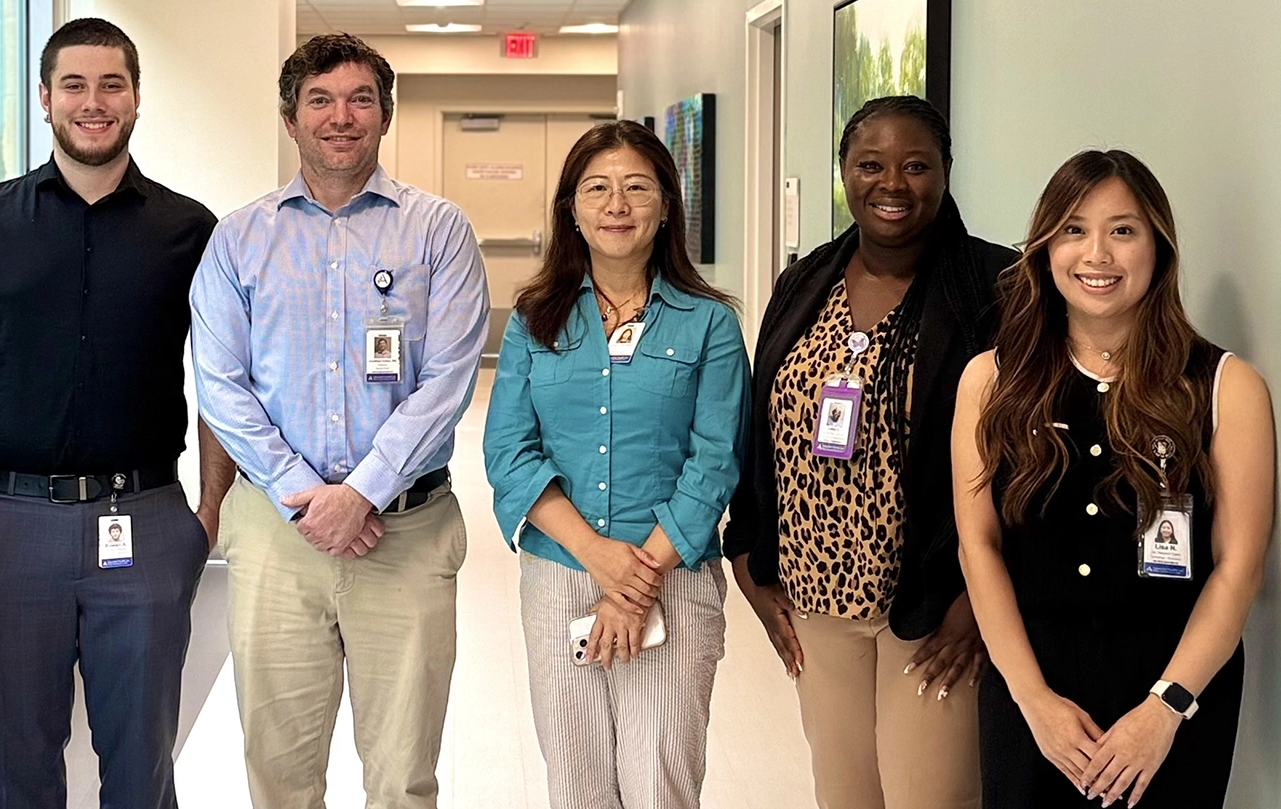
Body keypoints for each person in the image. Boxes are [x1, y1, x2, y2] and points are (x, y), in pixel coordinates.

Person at [0, 18, 225, 808]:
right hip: (3, 522)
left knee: (143, 762)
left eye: (111, 84)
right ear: (46, 100)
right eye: (76, 86)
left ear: (134, 98)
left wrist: (210, 509)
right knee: (17, 765)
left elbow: (223, 374)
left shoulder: (190, 230)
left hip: (149, 518)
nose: (94, 103)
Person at [190, 33, 487, 808]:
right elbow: (219, 383)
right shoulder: (239, 238)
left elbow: (449, 379)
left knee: (402, 776)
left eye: (360, 99)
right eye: (320, 100)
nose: (341, 117)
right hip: (276, 537)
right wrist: (303, 490)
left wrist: (362, 492)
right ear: (291, 119)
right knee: (280, 772)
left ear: (385, 115)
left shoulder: (438, 231)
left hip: (408, 536)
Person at [952, 150, 1273, 809]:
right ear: (1045, 247)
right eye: (1073, 228)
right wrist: (1033, 701)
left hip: (1175, 699)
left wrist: (1166, 708)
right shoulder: (992, 380)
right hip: (1033, 694)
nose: (1097, 253)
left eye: (1123, 230)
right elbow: (978, 545)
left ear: (1158, 245)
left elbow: (1238, 568)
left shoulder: (1225, 387)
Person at [722, 96, 1017, 809]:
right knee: (845, 793)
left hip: (934, 602)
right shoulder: (805, 281)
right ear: (844, 173)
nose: (892, 183)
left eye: (916, 165)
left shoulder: (996, 288)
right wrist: (747, 551)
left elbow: (1024, 455)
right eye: (870, 164)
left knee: (930, 795)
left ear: (946, 172)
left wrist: (978, 602)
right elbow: (760, 425)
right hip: (814, 593)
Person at [482, 120, 747, 808]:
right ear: (572, 208)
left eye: (636, 188)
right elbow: (509, 450)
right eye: (597, 188)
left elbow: (714, 461)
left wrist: (634, 580)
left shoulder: (709, 322)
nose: (617, 205)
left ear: (665, 206)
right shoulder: (535, 318)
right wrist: (599, 558)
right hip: (560, 575)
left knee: (660, 786)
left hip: (673, 579)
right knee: (576, 786)